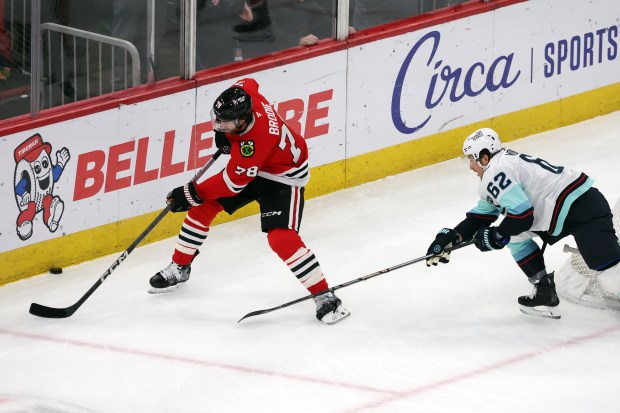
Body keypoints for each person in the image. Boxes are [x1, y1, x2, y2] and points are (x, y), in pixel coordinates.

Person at [149, 77, 350, 325]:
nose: (219, 124)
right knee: (202, 210)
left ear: (242, 120)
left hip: (283, 176)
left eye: (225, 122)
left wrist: (190, 193)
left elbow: (232, 182)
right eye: (217, 119)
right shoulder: (246, 96)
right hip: (255, 166)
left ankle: (324, 296)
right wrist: (222, 133)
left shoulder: (255, 141)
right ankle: (180, 268)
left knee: (281, 239)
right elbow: (248, 81)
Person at [425, 128, 620, 319]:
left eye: (471, 159)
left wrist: (496, 236)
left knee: (612, 278)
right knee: (516, 237)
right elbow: (481, 217)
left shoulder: (496, 171)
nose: (471, 167)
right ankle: (544, 291)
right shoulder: (500, 166)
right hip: (562, 211)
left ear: (484, 158)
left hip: (584, 210)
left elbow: (523, 216)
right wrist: (451, 237)